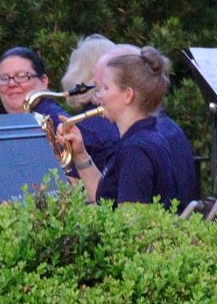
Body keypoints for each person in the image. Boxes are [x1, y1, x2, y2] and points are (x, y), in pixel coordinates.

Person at [55, 46, 198, 207]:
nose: (98, 96)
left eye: (106, 88)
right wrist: (80, 154)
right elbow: (105, 199)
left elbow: (129, 219)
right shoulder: (145, 138)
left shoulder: (135, 150)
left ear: (128, 95)